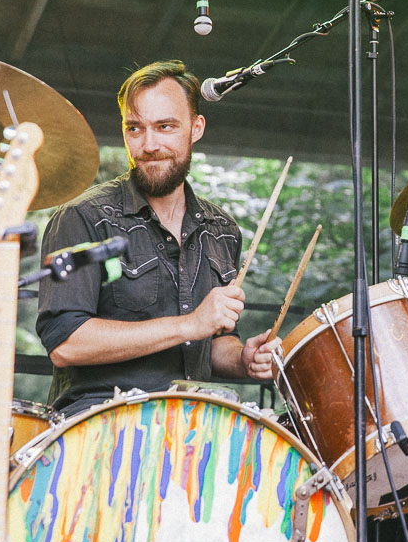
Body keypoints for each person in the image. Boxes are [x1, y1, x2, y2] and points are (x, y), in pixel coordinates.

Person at [37, 60, 279, 416]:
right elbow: (66, 343)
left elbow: (214, 340)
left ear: (196, 128)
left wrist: (243, 358)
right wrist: (188, 324)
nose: (149, 144)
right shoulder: (82, 217)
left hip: (193, 425)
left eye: (165, 127)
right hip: (100, 424)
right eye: (135, 128)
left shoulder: (221, 229)